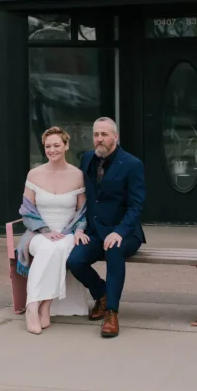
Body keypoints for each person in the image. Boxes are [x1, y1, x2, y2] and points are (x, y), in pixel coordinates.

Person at [67, 117, 146, 338]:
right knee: (75, 260)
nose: (99, 139)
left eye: (104, 134)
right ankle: (101, 294)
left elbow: (136, 205)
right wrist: (79, 228)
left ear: (115, 137)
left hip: (125, 232)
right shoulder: (87, 158)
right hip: (94, 231)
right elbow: (85, 197)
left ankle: (111, 312)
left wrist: (120, 231)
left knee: (113, 250)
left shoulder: (132, 164)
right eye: (96, 135)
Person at [17, 126, 89, 334]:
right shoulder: (35, 174)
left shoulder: (77, 175)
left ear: (66, 146)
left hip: (66, 232)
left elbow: (82, 210)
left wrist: (78, 230)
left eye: (57, 145)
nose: (52, 150)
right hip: (38, 232)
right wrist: (44, 230)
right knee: (48, 247)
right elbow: (27, 210)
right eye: (48, 146)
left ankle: (45, 305)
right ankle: (33, 307)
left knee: (58, 247)